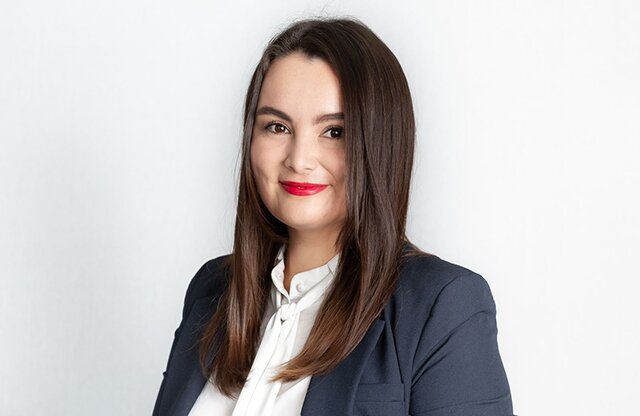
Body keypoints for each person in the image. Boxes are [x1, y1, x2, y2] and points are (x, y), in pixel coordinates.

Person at [152, 17, 514, 416]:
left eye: (334, 132)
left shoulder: (442, 306)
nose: (299, 159)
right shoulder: (211, 290)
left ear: (381, 142)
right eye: (277, 126)